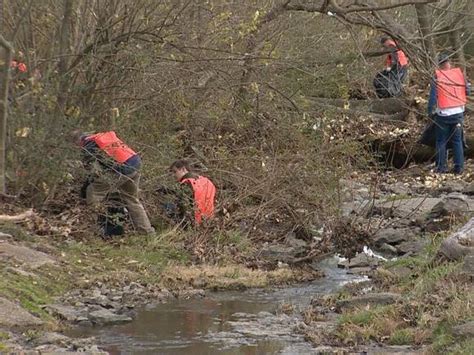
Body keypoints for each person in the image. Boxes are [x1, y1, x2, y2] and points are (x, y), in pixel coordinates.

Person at [72, 130, 155, 234]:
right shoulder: (101, 137)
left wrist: (87, 185)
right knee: (132, 198)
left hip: (122, 170)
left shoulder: (89, 146)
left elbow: (92, 171)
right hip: (136, 164)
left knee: (93, 192)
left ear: (78, 142)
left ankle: (93, 228)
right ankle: (147, 231)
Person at [427, 53, 471, 174]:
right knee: (457, 140)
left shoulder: (437, 77)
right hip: (458, 112)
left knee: (441, 141)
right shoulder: (459, 74)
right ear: (449, 62)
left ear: (439, 64)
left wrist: (429, 113)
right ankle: (459, 167)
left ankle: (441, 167)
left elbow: (432, 99)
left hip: (444, 114)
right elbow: (467, 91)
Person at [168, 160, 216, 226]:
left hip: (194, 222)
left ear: (183, 169)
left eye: (175, 172)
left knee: (168, 206)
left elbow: (183, 205)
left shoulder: (186, 183)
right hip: (208, 219)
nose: (174, 175)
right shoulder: (206, 181)